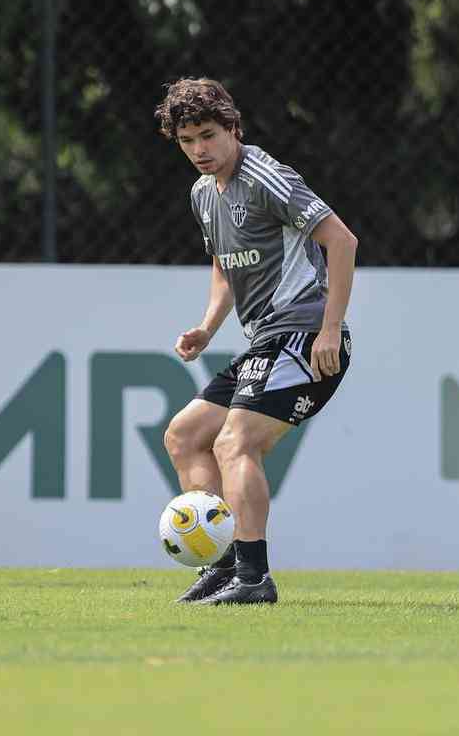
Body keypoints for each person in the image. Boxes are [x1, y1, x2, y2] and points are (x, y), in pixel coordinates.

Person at [154, 78, 358, 605]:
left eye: (208, 135)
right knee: (184, 436)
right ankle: (224, 567)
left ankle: (253, 578)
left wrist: (330, 327)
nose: (200, 149)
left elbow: (341, 240)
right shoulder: (203, 194)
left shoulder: (264, 174)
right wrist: (207, 327)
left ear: (232, 128)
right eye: (188, 140)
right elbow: (224, 265)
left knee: (234, 443)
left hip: (304, 335)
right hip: (265, 341)